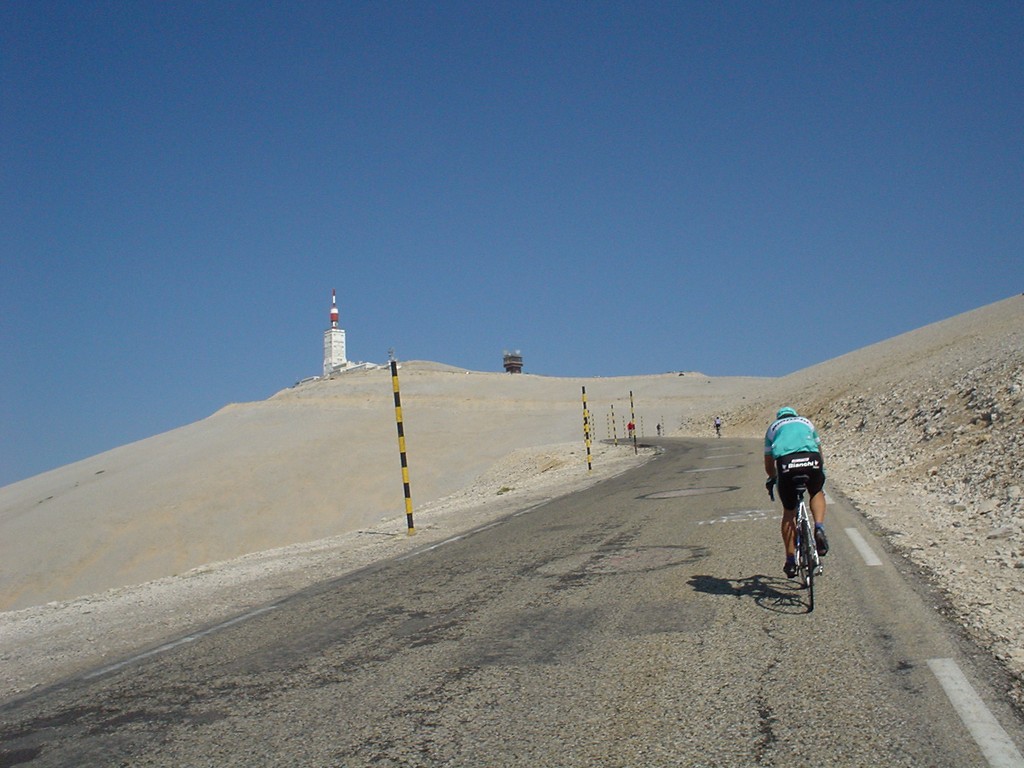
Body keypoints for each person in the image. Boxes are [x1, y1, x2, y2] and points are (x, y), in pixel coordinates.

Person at [764, 406, 828, 578]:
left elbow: (769, 463)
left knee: (789, 511)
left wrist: (773, 477)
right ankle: (819, 527)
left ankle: (791, 560)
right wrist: (820, 470)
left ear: (779, 417)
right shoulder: (806, 422)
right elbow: (819, 450)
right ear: (794, 415)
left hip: (787, 463)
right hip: (812, 460)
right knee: (816, 492)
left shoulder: (773, 428)